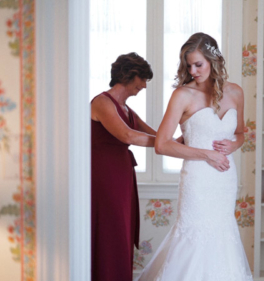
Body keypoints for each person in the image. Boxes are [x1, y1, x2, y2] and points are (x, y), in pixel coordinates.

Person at [135, 33, 253, 281]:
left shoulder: (236, 93)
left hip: (224, 179)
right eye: (189, 65)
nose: (193, 70)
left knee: (222, 234)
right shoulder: (183, 95)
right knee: (193, 234)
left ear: (213, 60)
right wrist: (206, 154)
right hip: (198, 181)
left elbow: (241, 134)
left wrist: (232, 145)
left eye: (198, 64)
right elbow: (162, 144)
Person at [91, 52, 156, 281]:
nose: (145, 86)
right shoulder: (101, 102)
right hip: (104, 175)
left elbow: (155, 135)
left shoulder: (127, 109)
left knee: (122, 230)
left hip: (122, 175)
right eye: (143, 79)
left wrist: (183, 142)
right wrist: (165, 144)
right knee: (111, 230)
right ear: (130, 74)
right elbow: (128, 135)